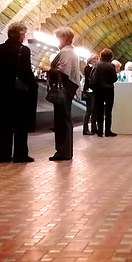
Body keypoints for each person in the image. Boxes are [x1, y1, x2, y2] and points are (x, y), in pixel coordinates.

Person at [0, 21, 37, 163]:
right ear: (19, 34)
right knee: (20, 124)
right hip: (20, 94)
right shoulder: (23, 50)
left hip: (3, 93)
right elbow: (26, 72)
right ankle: (20, 154)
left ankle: (3, 155)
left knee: (4, 124)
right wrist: (32, 86)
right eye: (24, 33)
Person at [48, 26, 82, 161]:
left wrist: (49, 69)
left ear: (64, 38)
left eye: (58, 38)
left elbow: (62, 71)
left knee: (61, 120)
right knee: (65, 119)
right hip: (68, 90)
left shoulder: (66, 53)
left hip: (63, 91)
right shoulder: (71, 52)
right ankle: (65, 150)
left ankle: (62, 150)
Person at [91, 48, 118, 137]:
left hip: (98, 90)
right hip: (109, 90)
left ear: (101, 56)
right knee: (108, 111)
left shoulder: (96, 65)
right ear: (110, 58)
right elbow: (114, 79)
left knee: (99, 111)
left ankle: (99, 131)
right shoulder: (111, 66)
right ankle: (107, 131)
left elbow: (92, 77)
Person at [82, 54, 99, 135]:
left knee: (95, 110)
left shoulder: (95, 68)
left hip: (95, 91)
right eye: (94, 59)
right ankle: (85, 128)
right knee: (89, 110)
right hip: (89, 91)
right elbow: (89, 78)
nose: (95, 60)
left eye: (96, 59)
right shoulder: (88, 68)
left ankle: (94, 127)